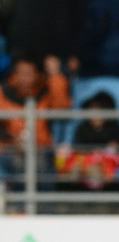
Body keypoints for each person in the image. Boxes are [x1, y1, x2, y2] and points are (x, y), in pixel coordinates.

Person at [0, 54, 71, 191]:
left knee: (43, 165)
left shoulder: (46, 91)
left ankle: (43, 204)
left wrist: (55, 75)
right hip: (10, 152)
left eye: (28, 74)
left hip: (41, 152)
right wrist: (10, 142)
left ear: (38, 75)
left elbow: (62, 107)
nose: (23, 78)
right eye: (19, 73)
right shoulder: (3, 92)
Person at [56, 91, 119, 191]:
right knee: (74, 161)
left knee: (100, 164)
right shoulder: (83, 128)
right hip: (86, 161)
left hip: (105, 164)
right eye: (92, 110)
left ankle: (93, 176)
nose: (95, 114)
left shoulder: (115, 128)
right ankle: (78, 176)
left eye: (99, 110)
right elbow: (78, 147)